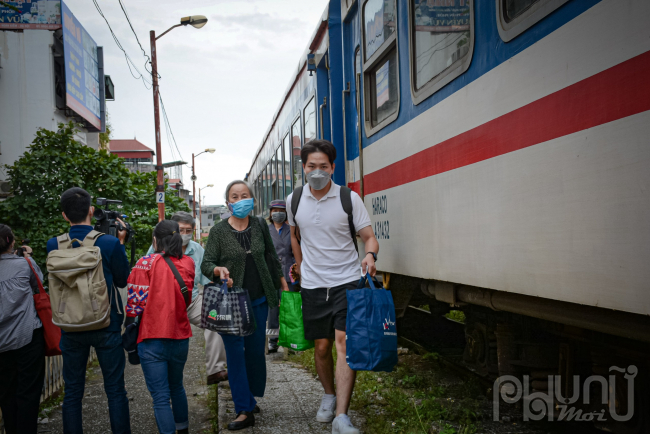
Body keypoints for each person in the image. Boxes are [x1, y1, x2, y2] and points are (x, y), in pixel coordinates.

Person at [287, 140, 379, 434]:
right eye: (311, 166)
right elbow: (293, 235)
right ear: (304, 168)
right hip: (313, 285)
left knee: (344, 343)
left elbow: (369, 236)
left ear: (333, 168)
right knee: (322, 347)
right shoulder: (294, 200)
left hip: (347, 281)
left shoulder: (348, 199)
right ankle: (328, 394)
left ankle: (341, 415)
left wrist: (369, 255)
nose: (317, 171)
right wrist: (300, 265)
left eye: (323, 167)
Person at [201, 181, 290, 431]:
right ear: (228, 202)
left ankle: (250, 398)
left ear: (252, 199)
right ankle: (243, 409)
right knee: (235, 355)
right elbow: (207, 263)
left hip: (259, 300)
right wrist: (217, 270)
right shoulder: (218, 232)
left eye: (245, 195)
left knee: (254, 354)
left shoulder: (261, 225)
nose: (240, 199)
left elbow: (271, 257)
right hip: (231, 303)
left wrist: (283, 285)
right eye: (235, 196)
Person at [46, 187, 131, 434]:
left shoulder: (55, 245)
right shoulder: (109, 243)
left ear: (64, 215)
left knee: (72, 392)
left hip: (70, 326)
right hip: (106, 324)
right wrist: (121, 243)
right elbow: (122, 280)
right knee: (115, 390)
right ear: (91, 211)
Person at [126, 220, 195, 434]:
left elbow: (134, 307)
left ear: (155, 239)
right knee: (177, 387)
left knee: (160, 397)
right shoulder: (188, 263)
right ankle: (183, 429)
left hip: (152, 338)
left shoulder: (144, 263)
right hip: (180, 336)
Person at [146, 211, 228, 384]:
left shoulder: (196, 249)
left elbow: (207, 278)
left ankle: (215, 370)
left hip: (191, 301)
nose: (184, 235)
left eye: (188, 231)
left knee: (217, 320)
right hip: (163, 305)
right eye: (180, 230)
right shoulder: (157, 247)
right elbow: (145, 271)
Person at [0, 224, 46, 434]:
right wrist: (28, 256)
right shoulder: (25, 263)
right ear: (10, 241)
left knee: (6, 395)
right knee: (28, 394)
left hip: (2, 343)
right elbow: (39, 285)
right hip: (27, 336)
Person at [265, 199, 296, 353]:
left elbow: (298, 250)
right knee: (272, 308)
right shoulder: (266, 230)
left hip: (289, 273)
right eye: (275, 210)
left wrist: (297, 268)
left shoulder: (292, 230)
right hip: (271, 275)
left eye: (282, 211)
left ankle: (290, 339)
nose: (278, 213)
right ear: (270, 213)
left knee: (289, 306)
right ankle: (273, 340)